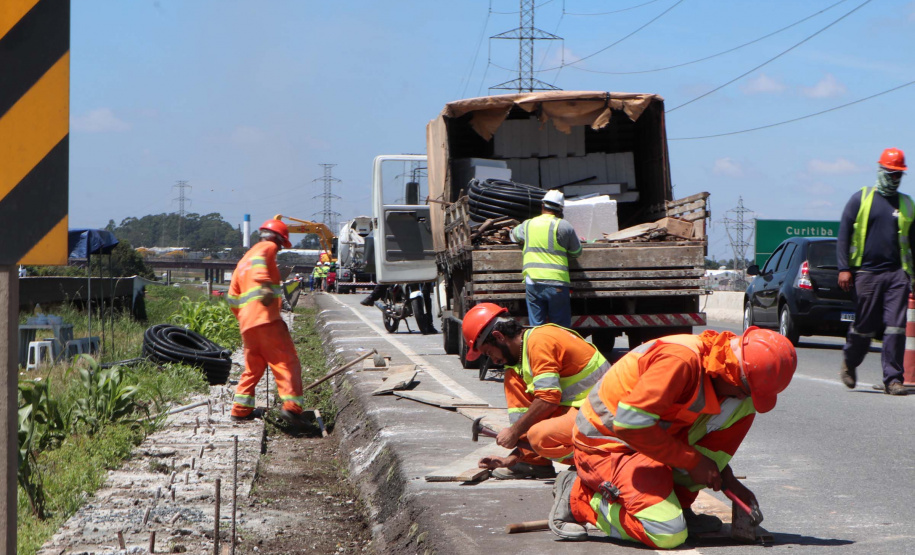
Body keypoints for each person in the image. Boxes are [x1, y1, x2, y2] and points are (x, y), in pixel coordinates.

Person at [547, 327, 797, 548]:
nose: (743, 396)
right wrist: (693, 461)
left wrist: (727, 479)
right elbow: (629, 425)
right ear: (732, 375)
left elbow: (676, 423)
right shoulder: (680, 360)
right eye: (743, 390)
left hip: (651, 441)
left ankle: (680, 503)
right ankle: (577, 497)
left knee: (745, 407)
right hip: (609, 446)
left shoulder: (718, 366)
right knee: (668, 532)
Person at [462, 302, 610, 479]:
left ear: (498, 336)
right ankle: (532, 461)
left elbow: (548, 400)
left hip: (604, 411)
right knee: (512, 375)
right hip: (582, 408)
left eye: (488, 352)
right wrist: (513, 459)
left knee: (540, 436)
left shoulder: (540, 342)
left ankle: (596, 460)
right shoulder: (523, 353)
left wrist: (514, 431)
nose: (493, 360)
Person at [837, 147, 913, 396]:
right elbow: (844, 234)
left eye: (898, 175)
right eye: (891, 174)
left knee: (896, 327)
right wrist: (844, 269)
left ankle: (893, 379)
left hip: (896, 274)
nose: (895, 179)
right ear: (881, 171)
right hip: (867, 273)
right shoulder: (861, 198)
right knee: (864, 325)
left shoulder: (906, 204)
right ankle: (850, 361)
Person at [227, 219, 309, 430]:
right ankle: (292, 408)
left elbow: (232, 298)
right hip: (266, 319)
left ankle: (240, 410)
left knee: (253, 368)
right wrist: (264, 285)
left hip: (248, 324)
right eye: (281, 244)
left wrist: (244, 318)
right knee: (286, 362)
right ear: (278, 239)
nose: (279, 248)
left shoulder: (243, 260)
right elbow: (262, 263)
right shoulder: (266, 247)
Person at [511, 190, 582, 328]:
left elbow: (514, 236)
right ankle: (559, 349)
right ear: (560, 210)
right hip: (557, 284)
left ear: (542, 206)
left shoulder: (527, 224)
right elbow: (577, 252)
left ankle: (539, 349)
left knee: (537, 328)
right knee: (560, 328)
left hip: (533, 282)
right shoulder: (564, 226)